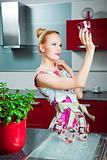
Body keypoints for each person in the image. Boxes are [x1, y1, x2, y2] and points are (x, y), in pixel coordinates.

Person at [34, 27, 95, 143]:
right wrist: (90, 50)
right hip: (64, 126)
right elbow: (80, 82)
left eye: (60, 45)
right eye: (54, 44)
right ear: (42, 48)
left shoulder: (61, 71)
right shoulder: (41, 76)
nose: (59, 49)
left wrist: (70, 70)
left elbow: (79, 94)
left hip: (77, 122)